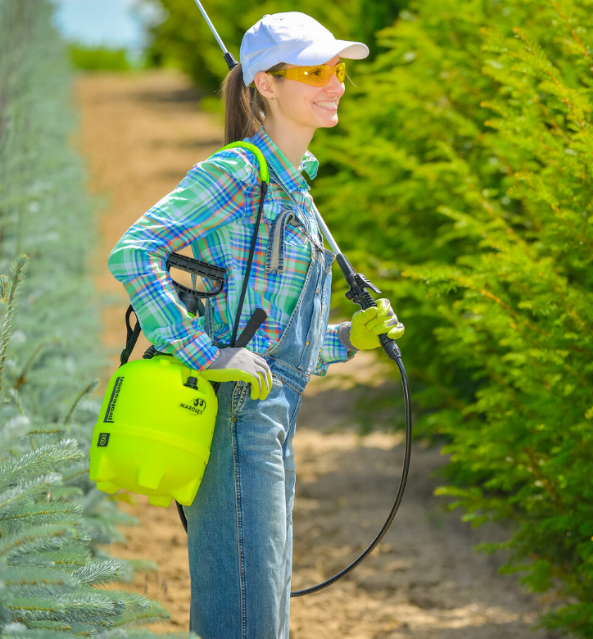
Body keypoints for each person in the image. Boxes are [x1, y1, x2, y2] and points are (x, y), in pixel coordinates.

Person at [107, 13, 405, 639]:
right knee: (246, 624)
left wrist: (347, 339)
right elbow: (134, 252)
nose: (336, 84)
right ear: (266, 84)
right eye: (316, 72)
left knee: (262, 619)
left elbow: (272, 345)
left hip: (270, 421)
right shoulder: (239, 173)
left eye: (339, 70)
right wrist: (205, 354)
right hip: (236, 420)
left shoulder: (296, 191)